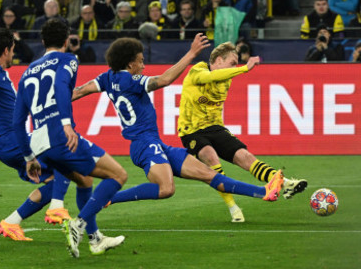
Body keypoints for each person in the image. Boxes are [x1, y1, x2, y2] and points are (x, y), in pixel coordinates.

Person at [70, 35, 286, 224]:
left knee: (208, 173)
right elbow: (164, 79)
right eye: (141, 61)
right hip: (144, 144)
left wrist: (51, 104)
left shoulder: (107, 77)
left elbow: (78, 91)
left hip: (155, 143)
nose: (143, 66)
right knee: (166, 189)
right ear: (130, 63)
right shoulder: (131, 79)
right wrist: (191, 53)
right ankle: (109, 198)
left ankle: (264, 191)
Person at [12, 19, 147, 257]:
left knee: (85, 181)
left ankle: (95, 240)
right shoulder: (68, 60)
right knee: (118, 174)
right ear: (67, 40)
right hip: (60, 136)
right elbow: (62, 86)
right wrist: (66, 124)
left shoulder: (27, 71)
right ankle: (79, 224)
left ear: (43, 41)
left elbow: (17, 121)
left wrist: (28, 156)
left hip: (39, 143)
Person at [0, 28, 97, 242]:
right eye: (12, 50)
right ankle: (58, 208)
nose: (13, 55)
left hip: (8, 145)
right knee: (65, 157)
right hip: (12, 143)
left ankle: (11, 222)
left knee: (57, 180)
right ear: (5, 50)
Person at [177, 41, 308, 222]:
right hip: (191, 130)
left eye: (237, 64)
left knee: (245, 157)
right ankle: (233, 208)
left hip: (215, 127)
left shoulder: (226, 80)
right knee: (210, 157)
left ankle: (286, 183)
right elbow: (209, 78)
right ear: (219, 60)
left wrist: (238, 69)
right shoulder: (197, 70)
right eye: (232, 63)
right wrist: (244, 69)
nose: (235, 66)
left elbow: (218, 79)